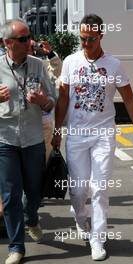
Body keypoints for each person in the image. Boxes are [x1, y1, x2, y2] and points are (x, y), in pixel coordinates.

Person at [52, 14, 133, 261]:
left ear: (101, 36)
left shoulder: (114, 65)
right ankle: (80, 219)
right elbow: (63, 98)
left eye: (91, 39)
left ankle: (98, 239)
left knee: (99, 188)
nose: (85, 43)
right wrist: (56, 130)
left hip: (104, 134)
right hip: (76, 134)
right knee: (77, 190)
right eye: (82, 39)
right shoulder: (72, 62)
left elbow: (129, 99)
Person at [0, 18, 56, 264]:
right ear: (8, 42)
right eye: (23, 39)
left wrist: (43, 101)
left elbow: (52, 99)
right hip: (5, 140)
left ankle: (31, 217)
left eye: (29, 37)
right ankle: (16, 247)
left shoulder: (38, 65)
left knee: (33, 191)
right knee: (11, 195)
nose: (29, 42)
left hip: (33, 139)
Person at [28, 38, 62, 161]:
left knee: (45, 159)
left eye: (32, 47)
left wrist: (50, 53)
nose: (29, 49)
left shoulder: (39, 64)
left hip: (44, 121)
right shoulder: (8, 65)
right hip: (23, 124)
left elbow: (56, 71)